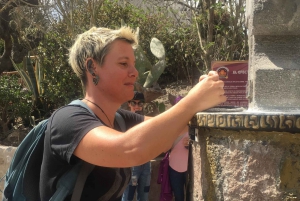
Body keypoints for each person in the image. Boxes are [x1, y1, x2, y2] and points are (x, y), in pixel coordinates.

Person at [39, 26, 226, 201]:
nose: (135, 72)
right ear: (92, 67)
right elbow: (130, 150)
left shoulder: (120, 119)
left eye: (134, 64)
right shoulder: (68, 121)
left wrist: (203, 102)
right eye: (123, 63)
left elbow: (171, 130)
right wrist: (193, 100)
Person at [122, 91, 151, 201]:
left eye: (140, 104)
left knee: (144, 196)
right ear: (129, 104)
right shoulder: (124, 120)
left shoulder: (147, 121)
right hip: (132, 166)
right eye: (134, 103)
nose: (137, 106)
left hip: (146, 164)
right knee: (128, 197)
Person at [168, 96, 189, 201]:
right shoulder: (170, 128)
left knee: (191, 196)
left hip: (189, 168)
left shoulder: (193, 126)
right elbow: (163, 148)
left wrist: (191, 145)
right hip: (174, 167)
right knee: (178, 197)